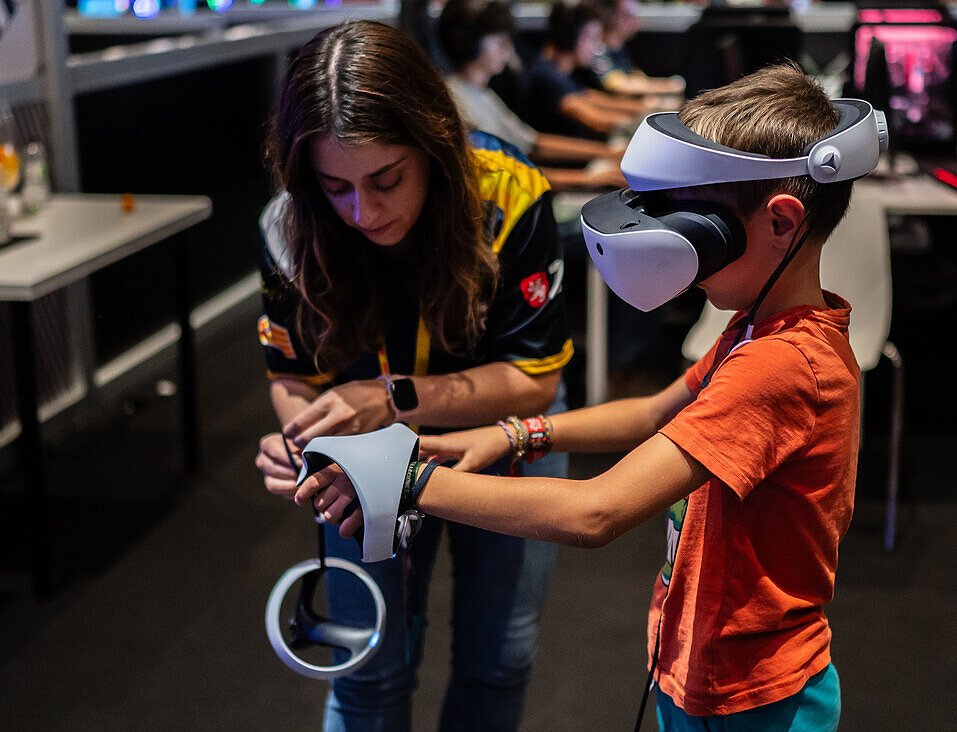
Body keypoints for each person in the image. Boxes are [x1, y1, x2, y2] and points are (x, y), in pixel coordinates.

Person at [299, 63, 864, 728]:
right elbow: (655, 412)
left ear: (780, 222)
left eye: (697, 220)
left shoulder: (781, 364)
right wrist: (517, 434)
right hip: (709, 675)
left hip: (757, 700)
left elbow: (597, 511)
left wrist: (407, 480)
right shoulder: (760, 329)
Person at [253, 20, 573, 731]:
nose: (363, 212)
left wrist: (389, 399)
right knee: (370, 669)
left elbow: (535, 383)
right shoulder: (289, 224)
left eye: (387, 179)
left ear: (432, 146)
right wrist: (302, 438)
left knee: (498, 661)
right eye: (335, 186)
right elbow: (291, 375)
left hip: (500, 439)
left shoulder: (511, 193)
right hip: (365, 457)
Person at [439, 0, 626, 190]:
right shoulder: (457, 101)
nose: (508, 48)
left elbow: (533, 143)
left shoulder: (482, 93)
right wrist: (588, 178)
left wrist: (608, 153)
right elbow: (505, 175)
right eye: (500, 40)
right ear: (468, 43)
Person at [524, 0, 661, 139]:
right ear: (570, 36)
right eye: (593, 38)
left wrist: (650, 110)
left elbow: (593, 99)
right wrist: (645, 123)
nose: (596, 47)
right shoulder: (546, 76)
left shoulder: (563, 72)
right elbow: (598, 121)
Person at [588, 0, 686, 99]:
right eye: (628, 16)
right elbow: (618, 86)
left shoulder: (620, 49)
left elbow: (636, 79)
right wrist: (671, 86)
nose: (636, 21)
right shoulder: (597, 49)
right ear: (609, 16)